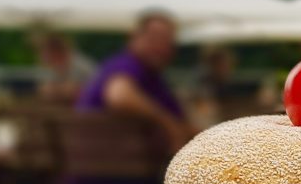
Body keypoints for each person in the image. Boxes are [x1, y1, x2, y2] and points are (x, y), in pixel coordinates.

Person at [77, 10, 194, 153]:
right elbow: (119, 96)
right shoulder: (127, 65)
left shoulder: (151, 77)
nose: (160, 46)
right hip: (112, 163)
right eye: (154, 38)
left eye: (167, 41)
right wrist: (168, 124)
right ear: (134, 38)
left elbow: (184, 124)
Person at [33, 31, 93, 102]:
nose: (42, 56)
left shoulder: (82, 65)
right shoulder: (49, 67)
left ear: (56, 51)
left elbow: (92, 89)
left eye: (46, 51)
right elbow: (44, 90)